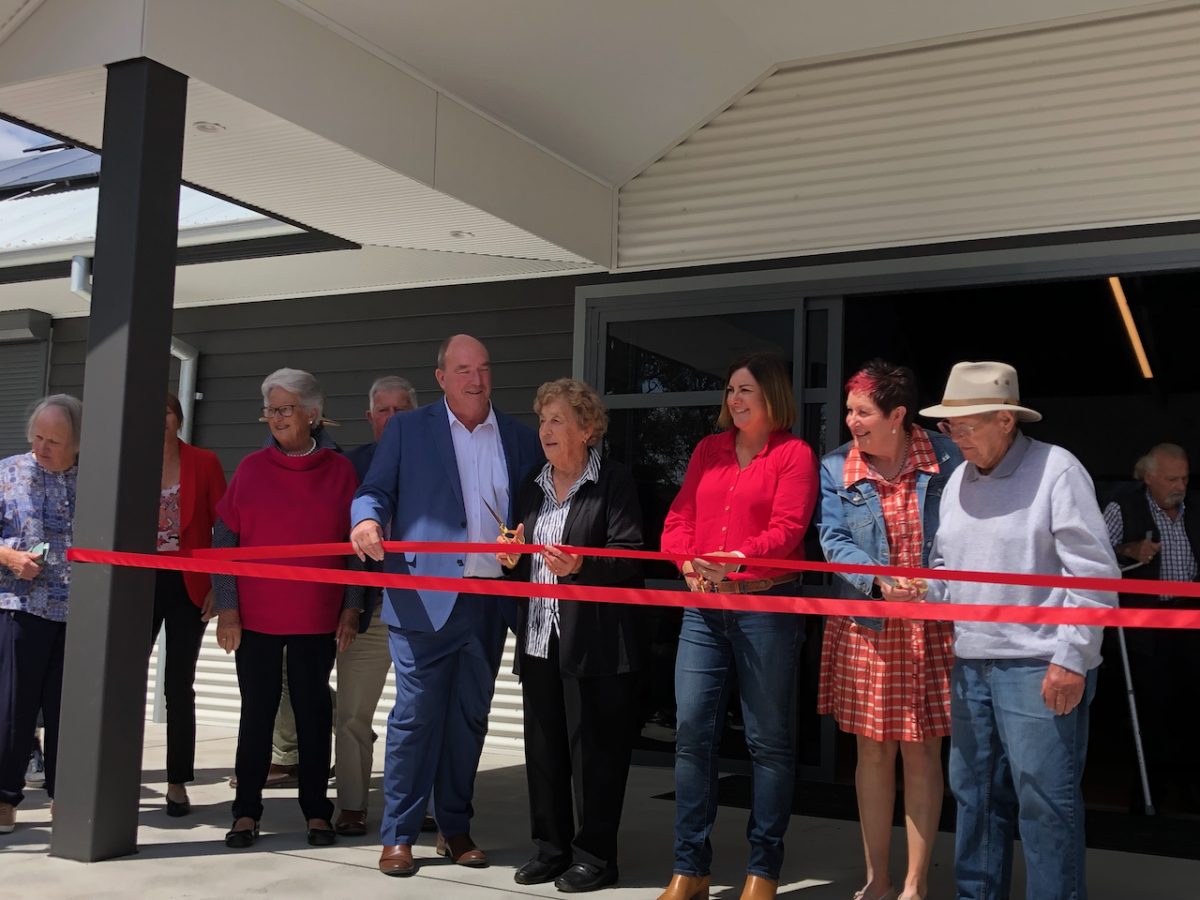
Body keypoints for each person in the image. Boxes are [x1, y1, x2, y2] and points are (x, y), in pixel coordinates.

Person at [919, 361, 1118, 900]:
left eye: (966, 425)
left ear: (1006, 420)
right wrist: (920, 591)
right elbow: (947, 569)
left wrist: (1072, 658)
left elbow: (1096, 575)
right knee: (975, 799)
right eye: (948, 427)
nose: (955, 437)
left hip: (1038, 667)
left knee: (1044, 805)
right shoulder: (958, 478)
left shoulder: (1058, 470)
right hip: (972, 663)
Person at [351, 334, 542, 877]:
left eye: (483, 368)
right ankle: (399, 835)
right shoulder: (409, 429)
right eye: (463, 370)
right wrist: (365, 520)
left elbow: (534, 503)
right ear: (441, 377)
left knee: (469, 718)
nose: (475, 379)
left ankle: (454, 827)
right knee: (415, 718)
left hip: (490, 602)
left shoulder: (518, 437)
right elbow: (375, 491)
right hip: (422, 600)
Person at [657, 352, 819, 900]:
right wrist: (685, 560)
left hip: (765, 610)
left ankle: (763, 870)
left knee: (767, 742)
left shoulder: (794, 454)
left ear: (772, 395)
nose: (735, 399)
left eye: (746, 390)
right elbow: (678, 519)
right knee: (691, 736)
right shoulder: (708, 450)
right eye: (730, 390)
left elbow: (790, 529)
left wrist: (737, 558)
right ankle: (690, 868)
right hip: (703, 608)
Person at [816, 360, 962, 900]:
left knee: (922, 751)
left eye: (863, 412)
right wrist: (880, 581)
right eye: (849, 411)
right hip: (866, 624)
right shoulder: (835, 466)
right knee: (872, 752)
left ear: (898, 415)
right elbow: (833, 539)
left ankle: (915, 885)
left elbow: (968, 533)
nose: (851, 422)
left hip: (930, 627)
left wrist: (932, 582)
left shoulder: (948, 459)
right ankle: (877, 879)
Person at [497, 378, 644, 893]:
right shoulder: (530, 485)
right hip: (539, 638)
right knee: (544, 752)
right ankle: (551, 850)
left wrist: (582, 564)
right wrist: (511, 559)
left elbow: (629, 558)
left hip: (595, 644)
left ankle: (596, 857)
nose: (546, 431)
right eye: (542, 421)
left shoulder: (615, 483)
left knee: (595, 758)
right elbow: (523, 559)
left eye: (557, 420)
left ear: (588, 428)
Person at [212, 368, 362, 849]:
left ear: (312, 415)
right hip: (255, 616)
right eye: (270, 409)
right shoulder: (252, 468)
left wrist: (352, 608)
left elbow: (357, 547)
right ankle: (245, 812)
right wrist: (228, 609)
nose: (274, 418)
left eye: (284, 409)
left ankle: (317, 812)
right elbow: (224, 539)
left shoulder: (341, 472)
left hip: (317, 615)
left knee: (314, 711)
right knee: (256, 712)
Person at [334, 375, 417, 837]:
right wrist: (348, 606)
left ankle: (417, 804)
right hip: (367, 610)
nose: (391, 418)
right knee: (351, 714)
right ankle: (350, 805)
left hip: (424, 609)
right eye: (382, 410)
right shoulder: (353, 466)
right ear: (370, 418)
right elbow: (345, 547)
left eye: (401, 409)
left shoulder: (430, 462)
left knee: (418, 713)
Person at [0, 394, 82, 834]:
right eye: (38, 436)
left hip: (78, 611)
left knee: (66, 710)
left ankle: (64, 796)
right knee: (14, 708)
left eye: (55, 440)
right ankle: (5, 797)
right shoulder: (8, 472)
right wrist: (9, 559)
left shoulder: (93, 477)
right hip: (22, 606)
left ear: (76, 445)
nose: (43, 447)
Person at [1102, 443, 1200, 810]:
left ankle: (1190, 784)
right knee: (1151, 704)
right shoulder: (1122, 505)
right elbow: (1092, 554)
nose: (1180, 486)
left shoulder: (1194, 509)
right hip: (1145, 620)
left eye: (1185, 478)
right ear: (1148, 477)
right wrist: (1128, 550)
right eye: (1172, 478)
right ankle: (1150, 790)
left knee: (1191, 703)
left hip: (1190, 616)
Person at [153, 392, 226, 817]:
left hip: (189, 583)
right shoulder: (131, 461)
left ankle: (177, 782)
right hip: (137, 583)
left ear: (177, 419)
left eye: (164, 412)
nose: (158, 420)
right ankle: (116, 772)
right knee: (122, 684)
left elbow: (225, 525)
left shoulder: (203, 461)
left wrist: (221, 585)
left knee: (178, 684)